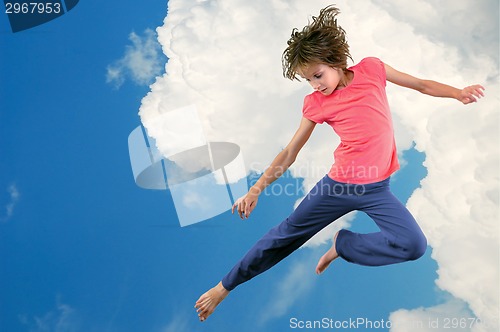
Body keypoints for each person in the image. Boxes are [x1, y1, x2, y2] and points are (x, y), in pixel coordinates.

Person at [194, 5, 484, 322]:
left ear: (336, 61)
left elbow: (421, 85)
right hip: (338, 186)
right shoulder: (315, 104)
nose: (315, 85)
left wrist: (457, 92)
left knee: (413, 245)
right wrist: (256, 189)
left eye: (318, 75)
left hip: (377, 188)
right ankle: (225, 286)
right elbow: (290, 151)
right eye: (307, 80)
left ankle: (344, 246)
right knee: (284, 237)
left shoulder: (372, 69)